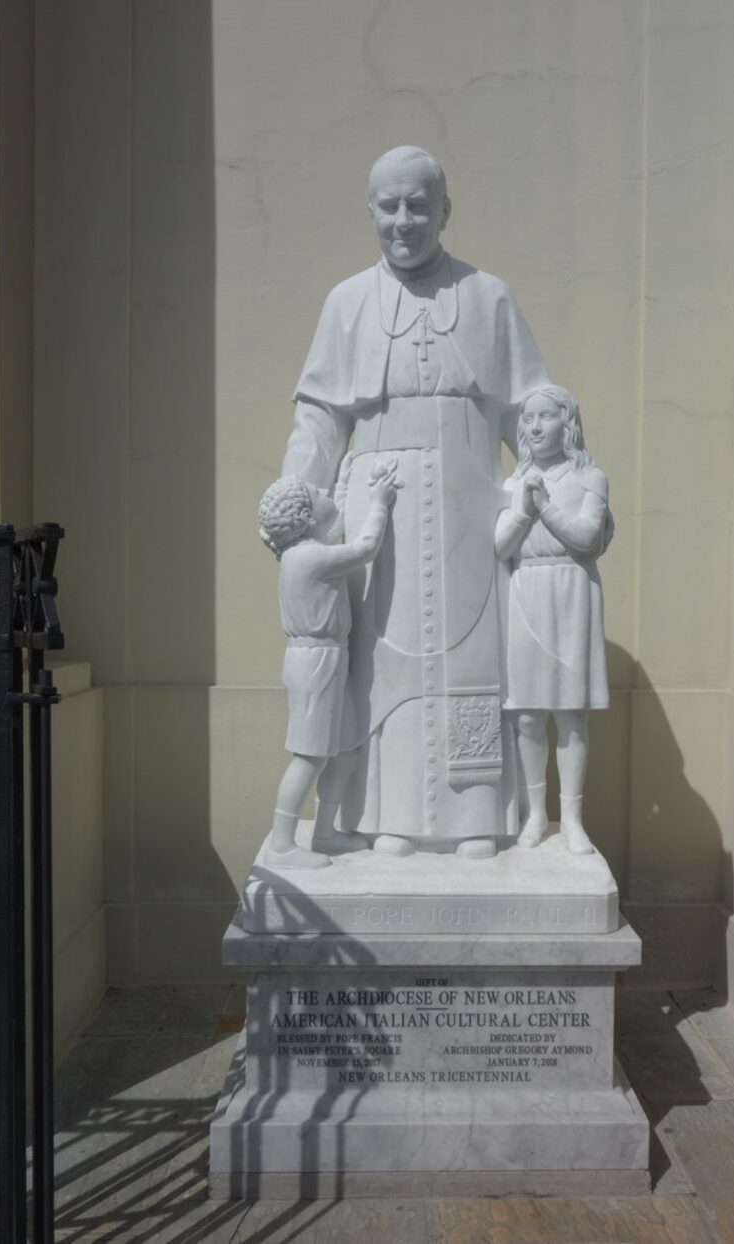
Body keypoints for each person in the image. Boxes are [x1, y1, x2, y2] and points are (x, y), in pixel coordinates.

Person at [280, 146, 551, 858]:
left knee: (470, 657)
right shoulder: (346, 302)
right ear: (371, 211)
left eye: (419, 205)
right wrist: (295, 498)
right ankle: (387, 816)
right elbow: (319, 416)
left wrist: (561, 482)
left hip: (468, 500)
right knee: (386, 663)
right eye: (390, 206)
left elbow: (530, 411)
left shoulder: (489, 297)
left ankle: (474, 821)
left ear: (445, 210)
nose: (405, 221)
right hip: (383, 509)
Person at [258, 457, 400, 869]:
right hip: (314, 662)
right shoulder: (305, 558)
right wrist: (378, 502)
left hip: (331, 657)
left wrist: (344, 480)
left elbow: (333, 526)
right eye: (317, 494)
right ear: (304, 516)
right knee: (310, 755)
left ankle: (324, 830)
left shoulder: (310, 548)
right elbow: (363, 548)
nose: (324, 494)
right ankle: (283, 844)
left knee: (348, 746)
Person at [494, 385, 612, 855]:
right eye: (528, 419)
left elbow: (586, 537)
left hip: (572, 590)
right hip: (527, 590)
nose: (534, 426)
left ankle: (573, 819)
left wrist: (545, 506)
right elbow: (500, 548)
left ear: (568, 423)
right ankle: (535, 815)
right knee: (526, 716)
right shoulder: (512, 483)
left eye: (545, 416)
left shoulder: (590, 478)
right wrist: (524, 509)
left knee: (570, 713)